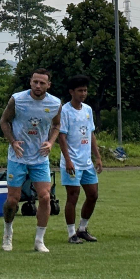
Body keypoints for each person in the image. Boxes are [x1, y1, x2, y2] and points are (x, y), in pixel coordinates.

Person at [0, 68, 62, 253]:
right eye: (35, 82)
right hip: (18, 157)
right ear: (30, 82)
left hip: (40, 158)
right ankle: (8, 233)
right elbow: (4, 121)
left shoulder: (55, 103)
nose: (38, 86)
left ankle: (39, 240)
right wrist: (12, 141)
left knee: (45, 197)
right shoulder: (17, 99)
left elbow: (57, 124)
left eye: (42, 83)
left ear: (48, 85)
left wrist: (50, 142)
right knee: (13, 200)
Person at [57, 74, 101, 244]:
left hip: (86, 162)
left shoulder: (88, 110)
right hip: (73, 161)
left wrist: (97, 156)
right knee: (73, 196)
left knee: (93, 195)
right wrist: (68, 160)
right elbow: (62, 137)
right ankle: (71, 233)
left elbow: (90, 133)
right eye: (80, 90)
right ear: (71, 92)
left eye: (85, 90)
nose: (83, 93)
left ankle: (82, 229)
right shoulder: (65, 111)